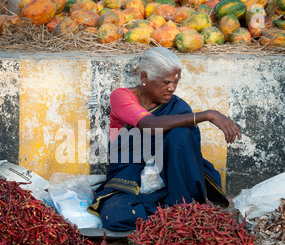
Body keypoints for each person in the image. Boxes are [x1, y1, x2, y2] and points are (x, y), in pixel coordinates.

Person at [88, 47, 242, 231]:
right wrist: (208, 115)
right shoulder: (122, 96)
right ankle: (169, 214)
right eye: (166, 82)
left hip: (169, 177)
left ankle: (180, 208)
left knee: (183, 133)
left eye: (176, 82)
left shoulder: (178, 107)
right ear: (145, 78)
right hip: (130, 171)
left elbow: (185, 153)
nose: (172, 88)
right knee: (118, 216)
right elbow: (151, 125)